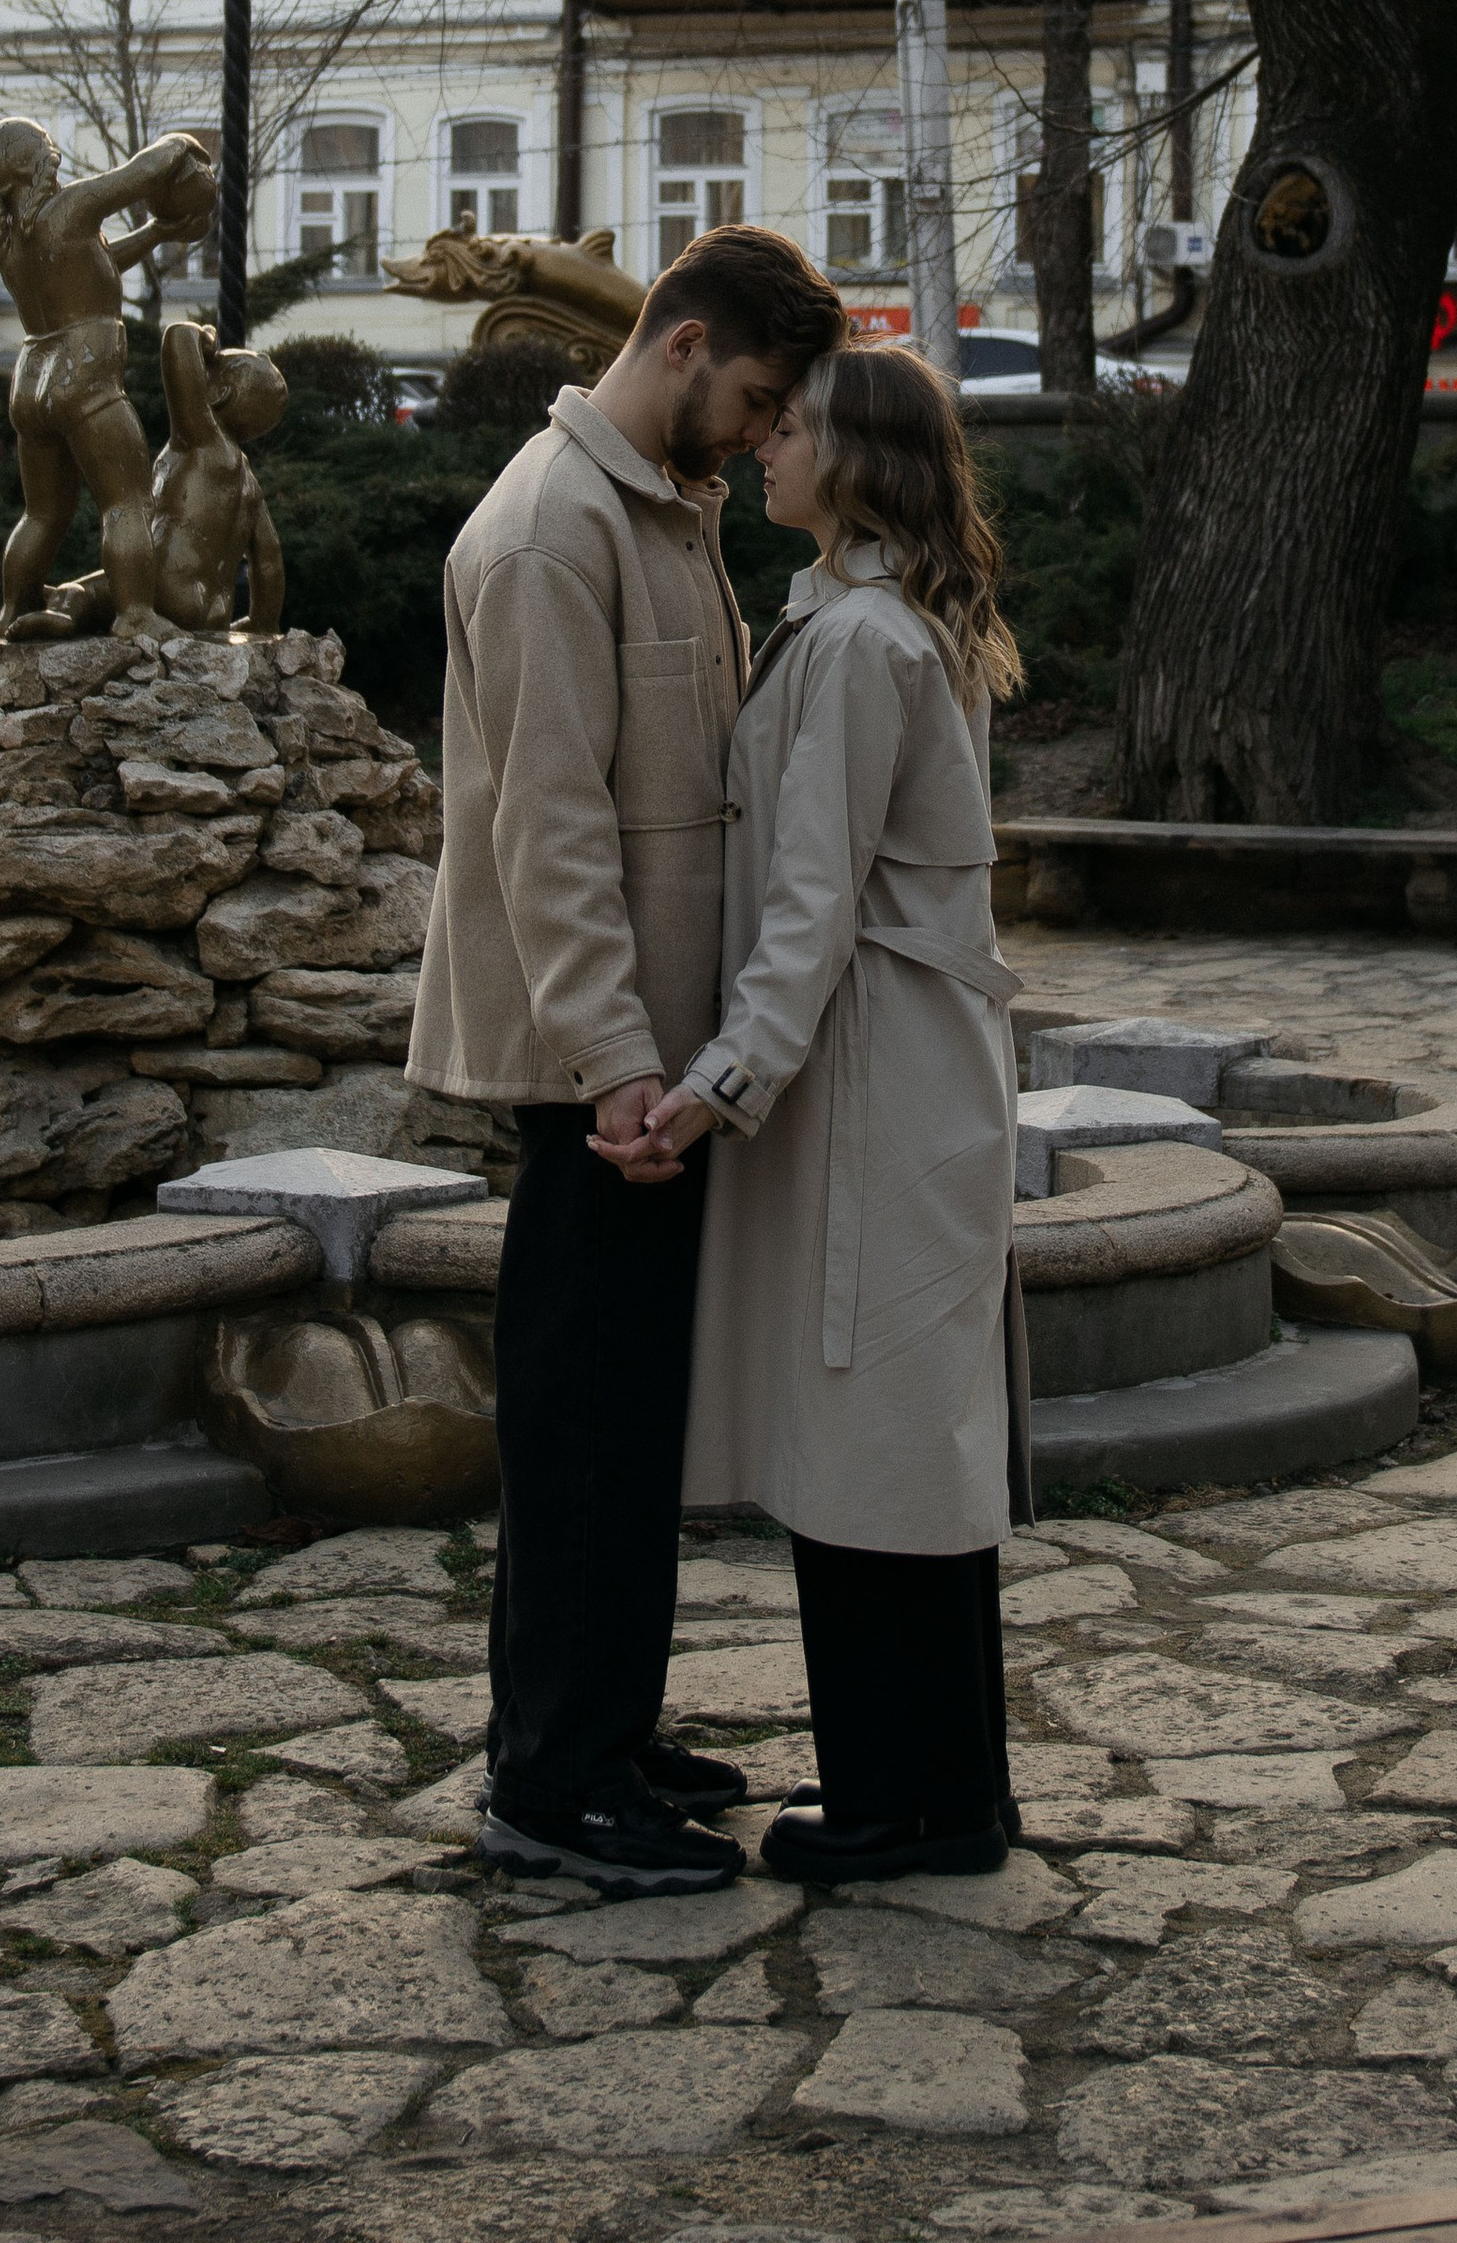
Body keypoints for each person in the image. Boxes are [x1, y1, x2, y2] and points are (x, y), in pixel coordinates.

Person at [409, 222, 849, 1895]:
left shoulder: (657, 512)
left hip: (657, 1072)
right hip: (606, 1085)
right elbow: (549, 830)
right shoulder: (547, 533)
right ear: (681, 346)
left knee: (621, 1424)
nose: (755, 435)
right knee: (586, 1432)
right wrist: (607, 1067)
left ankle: (600, 1729)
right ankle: (552, 1783)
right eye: (750, 398)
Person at [606, 340, 1028, 1882]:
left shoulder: (859, 642)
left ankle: (908, 1810)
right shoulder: (864, 623)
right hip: (889, 1069)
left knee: (875, 1439)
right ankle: (947, 1790)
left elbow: (813, 908)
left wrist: (718, 1089)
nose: (763, 445)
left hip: (874, 1082)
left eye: (791, 429)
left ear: (853, 464)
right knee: (899, 1438)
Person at [0, 117, 216, 638]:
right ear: (30, 163)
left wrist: (159, 232)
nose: (54, 152)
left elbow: (92, 263)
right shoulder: (71, 208)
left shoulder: (8, 238)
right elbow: (141, 173)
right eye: (46, 146)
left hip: (32, 382)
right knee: (126, 501)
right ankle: (136, 613)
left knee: (42, 515)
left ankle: (14, 610)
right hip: (85, 376)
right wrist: (181, 145)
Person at [39, 320, 287, 637]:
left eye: (213, 366)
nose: (203, 369)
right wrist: (263, 621)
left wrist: (205, 339)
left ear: (217, 393)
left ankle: (64, 610)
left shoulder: (204, 443)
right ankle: (61, 601)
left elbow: (177, 337)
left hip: (167, 590)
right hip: (213, 611)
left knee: (81, 591)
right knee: (99, 589)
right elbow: (269, 560)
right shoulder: (247, 482)